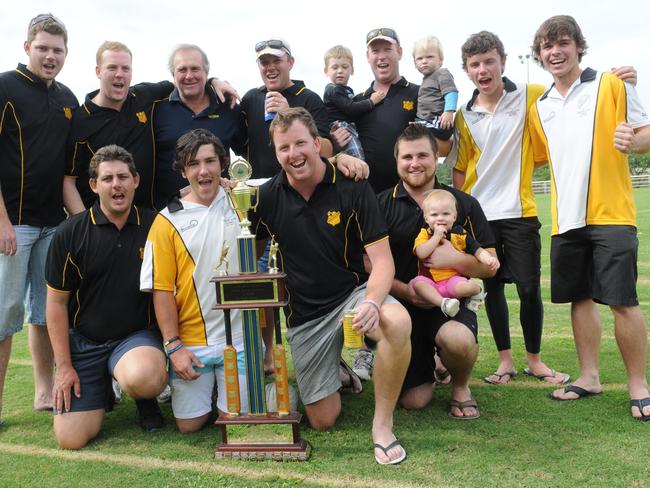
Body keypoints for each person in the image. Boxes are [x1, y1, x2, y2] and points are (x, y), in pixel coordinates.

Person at [251, 107, 411, 465]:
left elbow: (383, 261)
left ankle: (382, 426)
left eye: (300, 143)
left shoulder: (352, 185)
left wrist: (371, 302)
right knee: (322, 420)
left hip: (352, 296)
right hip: (305, 315)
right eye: (283, 148)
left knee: (396, 321)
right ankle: (341, 371)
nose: (293, 154)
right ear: (275, 153)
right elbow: (253, 258)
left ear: (318, 143)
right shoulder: (265, 198)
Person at [529, 15, 650, 420]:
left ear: (579, 45)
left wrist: (634, 141)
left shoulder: (613, 83)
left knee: (621, 301)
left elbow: (645, 133)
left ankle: (638, 385)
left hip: (612, 213)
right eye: (547, 46)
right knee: (579, 300)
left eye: (563, 42)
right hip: (566, 220)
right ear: (540, 54)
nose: (555, 51)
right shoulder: (540, 106)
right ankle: (588, 376)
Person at [447, 30, 571, 386]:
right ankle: (505, 362)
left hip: (520, 212)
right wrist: (462, 215)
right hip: (480, 218)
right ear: (467, 71)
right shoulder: (463, 116)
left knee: (529, 289)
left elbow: (567, 91)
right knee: (493, 290)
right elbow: (458, 167)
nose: (483, 70)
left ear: (502, 61)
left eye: (489, 61)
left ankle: (535, 360)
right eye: (475, 64)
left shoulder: (530, 95)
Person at [45, 145, 167, 448]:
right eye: (108, 178)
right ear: (93, 185)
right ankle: (100, 387)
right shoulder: (69, 233)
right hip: (85, 342)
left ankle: (144, 399)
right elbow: (56, 304)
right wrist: (64, 367)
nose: (117, 185)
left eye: (123, 177)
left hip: (135, 339)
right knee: (70, 439)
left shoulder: (156, 226)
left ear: (136, 180)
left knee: (145, 377)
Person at [377, 124, 497, 419]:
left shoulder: (462, 203)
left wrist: (454, 260)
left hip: (450, 304)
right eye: (406, 157)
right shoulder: (380, 204)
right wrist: (405, 291)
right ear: (396, 161)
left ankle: (461, 386)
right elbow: (368, 263)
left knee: (458, 340)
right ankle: (431, 364)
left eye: (422, 155)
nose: (414, 163)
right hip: (403, 306)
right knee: (415, 401)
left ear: (436, 158)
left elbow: (491, 265)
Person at [141, 129, 248, 432]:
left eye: (210, 161)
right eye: (194, 164)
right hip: (193, 345)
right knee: (190, 425)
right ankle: (213, 390)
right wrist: (174, 347)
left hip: (238, 340)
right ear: (183, 170)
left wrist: (339, 157)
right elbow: (161, 290)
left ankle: (250, 388)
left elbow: (288, 179)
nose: (204, 170)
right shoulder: (165, 221)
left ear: (222, 164)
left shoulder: (243, 199)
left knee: (236, 421)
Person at [0, 13, 78, 423]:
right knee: (4, 315)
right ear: (27, 47)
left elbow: (68, 173)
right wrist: (2, 222)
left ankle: (44, 393)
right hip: (12, 226)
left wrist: (80, 222)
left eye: (58, 50)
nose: (50, 56)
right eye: (43, 48)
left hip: (54, 225)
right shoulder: (4, 88)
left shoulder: (67, 98)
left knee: (46, 312)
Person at [64, 41, 237, 213]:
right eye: (112, 68)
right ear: (98, 71)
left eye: (125, 68)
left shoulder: (144, 97)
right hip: (101, 219)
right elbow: (68, 181)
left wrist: (214, 81)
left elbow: (182, 81)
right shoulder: (81, 119)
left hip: (147, 217)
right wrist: (84, 225)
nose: (119, 74)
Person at [151, 44, 247, 209]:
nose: (189, 76)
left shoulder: (228, 108)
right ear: (173, 75)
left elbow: (248, 151)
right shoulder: (156, 110)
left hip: (220, 211)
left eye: (195, 69)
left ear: (206, 73)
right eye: (182, 70)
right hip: (168, 214)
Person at [412, 189, 499, 318]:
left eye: (446, 214)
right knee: (417, 284)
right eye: (434, 215)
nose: (440, 218)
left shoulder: (460, 233)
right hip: (431, 282)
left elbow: (477, 250)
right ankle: (445, 304)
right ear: (426, 218)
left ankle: (477, 290)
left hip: (453, 280)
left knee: (464, 288)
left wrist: (488, 259)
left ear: (454, 216)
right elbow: (421, 253)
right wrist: (436, 237)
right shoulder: (425, 233)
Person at [322, 44, 385, 159]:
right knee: (357, 158)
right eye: (335, 67)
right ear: (326, 71)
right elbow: (350, 108)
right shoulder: (333, 90)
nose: (340, 71)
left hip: (348, 126)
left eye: (345, 67)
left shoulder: (345, 90)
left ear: (352, 70)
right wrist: (371, 101)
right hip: (342, 127)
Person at [412, 36, 458, 140]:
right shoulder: (426, 79)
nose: (424, 61)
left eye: (429, 57)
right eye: (420, 58)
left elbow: (451, 92)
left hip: (437, 121)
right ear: (415, 63)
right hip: (424, 120)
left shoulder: (441, 73)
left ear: (440, 60)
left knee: (418, 137)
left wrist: (449, 111)